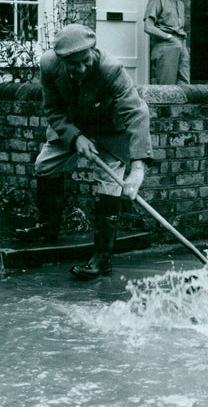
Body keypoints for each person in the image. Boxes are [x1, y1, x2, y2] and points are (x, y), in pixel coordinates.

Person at [13, 24, 153, 281]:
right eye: (73, 64)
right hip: (72, 125)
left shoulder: (111, 70)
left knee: (109, 183)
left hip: (110, 129)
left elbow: (137, 113)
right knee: (45, 164)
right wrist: (76, 137)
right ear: (61, 60)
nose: (81, 68)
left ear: (93, 50)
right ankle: (48, 227)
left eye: (85, 61)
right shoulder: (48, 65)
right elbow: (53, 109)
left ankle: (101, 258)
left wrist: (138, 168)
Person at [143, 0, 190, 85]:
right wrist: (169, 38)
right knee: (166, 87)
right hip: (165, 45)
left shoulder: (180, 3)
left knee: (184, 86)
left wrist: (181, 44)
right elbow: (148, 27)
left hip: (181, 45)